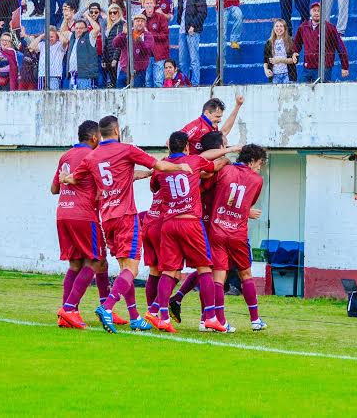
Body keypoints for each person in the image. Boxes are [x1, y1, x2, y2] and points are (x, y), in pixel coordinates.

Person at [59, 115, 195, 334]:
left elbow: (74, 178)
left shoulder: (92, 157)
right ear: (116, 130)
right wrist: (180, 168)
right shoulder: (126, 149)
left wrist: (64, 177)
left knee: (125, 268)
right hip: (126, 216)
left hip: (107, 218)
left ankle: (134, 317)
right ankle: (107, 307)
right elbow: (159, 164)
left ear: (100, 134)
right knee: (131, 268)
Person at [143, 131, 230, 334]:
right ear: (186, 147)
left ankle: (161, 316)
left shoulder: (161, 166)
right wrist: (225, 158)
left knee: (168, 270)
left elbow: (153, 187)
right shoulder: (194, 160)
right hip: (190, 222)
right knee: (204, 268)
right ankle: (210, 317)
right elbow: (213, 167)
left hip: (169, 223)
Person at [52, 120, 133, 330]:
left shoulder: (65, 156)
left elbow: (54, 188)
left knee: (78, 264)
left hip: (63, 213)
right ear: (95, 137)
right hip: (84, 215)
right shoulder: (92, 157)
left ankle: (73, 311)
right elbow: (103, 187)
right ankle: (70, 309)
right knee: (95, 261)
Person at [207, 143, 268, 331]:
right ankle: (255, 320)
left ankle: (220, 320)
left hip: (217, 229)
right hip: (237, 233)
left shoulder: (225, 171)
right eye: (260, 162)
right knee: (246, 274)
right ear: (252, 161)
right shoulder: (257, 180)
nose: (260, 166)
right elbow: (246, 202)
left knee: (218, 277)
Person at [293, 1, 349, 82]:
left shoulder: (330, 28)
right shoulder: (303, 27)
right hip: (307, 68)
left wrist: (344, 66)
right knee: (303, 91)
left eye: (319, 11)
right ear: (310, 12)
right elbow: (297, 42)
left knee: (323, 93)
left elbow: (340, 47)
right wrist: (295, 52)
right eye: (314, 10)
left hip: (324, 68)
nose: (316, 13)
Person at [175, 0, 207, 85]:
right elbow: (180, 13)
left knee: (194, 59)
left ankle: (195, 82)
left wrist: (193, 26)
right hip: (182, 31)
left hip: (192, 31)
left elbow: (202, 13)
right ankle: (185, 82)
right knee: (182, 60)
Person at [263, 19, 297, 84]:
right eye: (277, 26)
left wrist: (280, 60)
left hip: (288, 75)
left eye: (281, 26)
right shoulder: (269, 42)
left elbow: (294, 60)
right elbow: (265, 60)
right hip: (274, 75)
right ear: (273, 28)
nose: (279, 28)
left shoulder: (290, 41)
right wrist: (266, 70)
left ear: (285, 28)